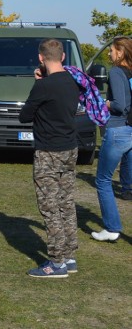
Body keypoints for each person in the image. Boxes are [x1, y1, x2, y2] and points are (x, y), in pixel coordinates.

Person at [19, 38, 80, 277]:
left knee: (50, 205)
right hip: (70, 148)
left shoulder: (43, 86)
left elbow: (25, 115)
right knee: (66, 202)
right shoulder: (72, 81)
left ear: (41, 58)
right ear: (63, 57)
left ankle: (56, 263)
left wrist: (38, 85)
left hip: (48, 151)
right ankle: (69, 255)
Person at [91, 36, 132, 241]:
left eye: (112, 50)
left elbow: (120, 105)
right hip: (130, 130)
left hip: (118, 129)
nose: (109, 53)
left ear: (121, 52)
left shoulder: (116, 72)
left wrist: (104, 103)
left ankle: (111, 227)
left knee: (103, 180)